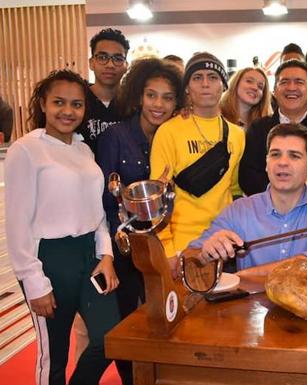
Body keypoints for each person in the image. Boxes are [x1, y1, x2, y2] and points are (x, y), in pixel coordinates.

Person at [5, 69, 120, 385]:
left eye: (76, 104)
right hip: (49, 259)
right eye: (59, 102)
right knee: (53, 354)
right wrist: (33, 280)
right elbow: (16, 223)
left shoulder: (83, 150)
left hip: (89, 254)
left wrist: (106, 256)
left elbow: (96, 212)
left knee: (110, 336)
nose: (68, 111)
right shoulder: (26, 150)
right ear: (43, 103)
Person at [95, 58, 184, 385]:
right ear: (138, 96)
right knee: (128, 322)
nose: (158, 104)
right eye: (151, 95)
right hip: (125, 246)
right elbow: (103, 199)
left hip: (166, 245)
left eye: (168, 97)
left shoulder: (175, 135)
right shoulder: (116, 137)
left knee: (165, 319)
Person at [189, 123, 307, 270]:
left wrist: (243, 277)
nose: (283, 162)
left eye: (294, 156)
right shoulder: (239, 210)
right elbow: (188, 259)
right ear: (266, 163)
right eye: (275, 154)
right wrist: (205, 254)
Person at [150, 52, 245, 271]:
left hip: (224, 243)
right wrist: (168, 250)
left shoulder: (237, 134)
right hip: (184, 245)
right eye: (197, 77)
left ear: (223, 85)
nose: (205, 84)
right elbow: (157, 197)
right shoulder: (168, 131)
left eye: (213, 77)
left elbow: (234, 189)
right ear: (187, 88)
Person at [239, 60, 307, 196]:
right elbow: (247, 175)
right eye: (284, 82)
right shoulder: (258, 129)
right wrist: (280, 197)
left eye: (299, 82)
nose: (291, 87)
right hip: (267, 210)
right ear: (275, 91)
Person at [77, 28, 130, 153]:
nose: (110, 65)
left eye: (117, 59)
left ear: (126, 65)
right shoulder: (78, 100)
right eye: (102, 57)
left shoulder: (133, 104)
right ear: (92, 63)